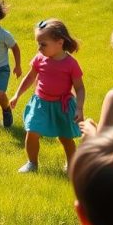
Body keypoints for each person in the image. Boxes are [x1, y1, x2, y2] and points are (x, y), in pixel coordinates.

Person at [9, 19, 85, 174]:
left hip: (62, 106)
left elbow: (80, 87)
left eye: (43, 44)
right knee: (32, 132)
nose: (39, 48)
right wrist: (17, 95)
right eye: (38, 43)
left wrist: (79, 108)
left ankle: (71, 164)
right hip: (41, 103)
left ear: (60, 42)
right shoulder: (39, 58)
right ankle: (32, 163)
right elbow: (30, 78)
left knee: (65, 137)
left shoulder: (71, 64)